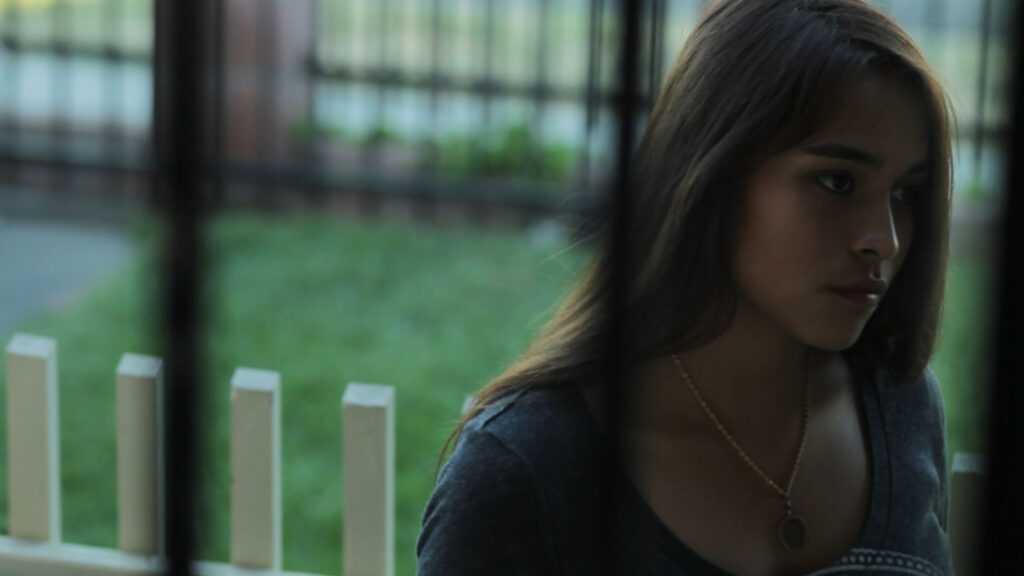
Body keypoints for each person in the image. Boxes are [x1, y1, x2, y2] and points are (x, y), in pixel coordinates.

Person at [417, 0, 954, 574]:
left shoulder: (901, 405)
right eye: (837, 181)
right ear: (712, 173)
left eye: (905, 193)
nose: (885, 239)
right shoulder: (524, 472)